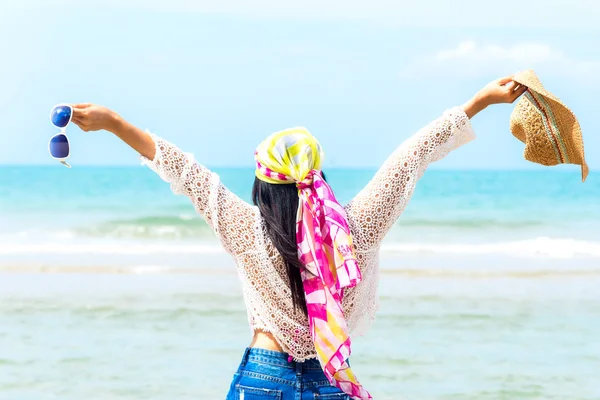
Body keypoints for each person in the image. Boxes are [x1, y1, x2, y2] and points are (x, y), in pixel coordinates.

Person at [71, 75, 527, 400]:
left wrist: (112, 121)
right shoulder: (357, 228)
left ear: (262, 184)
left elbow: (186, 172)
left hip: (263, 379)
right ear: (318, 175)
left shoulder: (247, 229)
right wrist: (480, 101)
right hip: (332, 380)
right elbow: (409, 159)